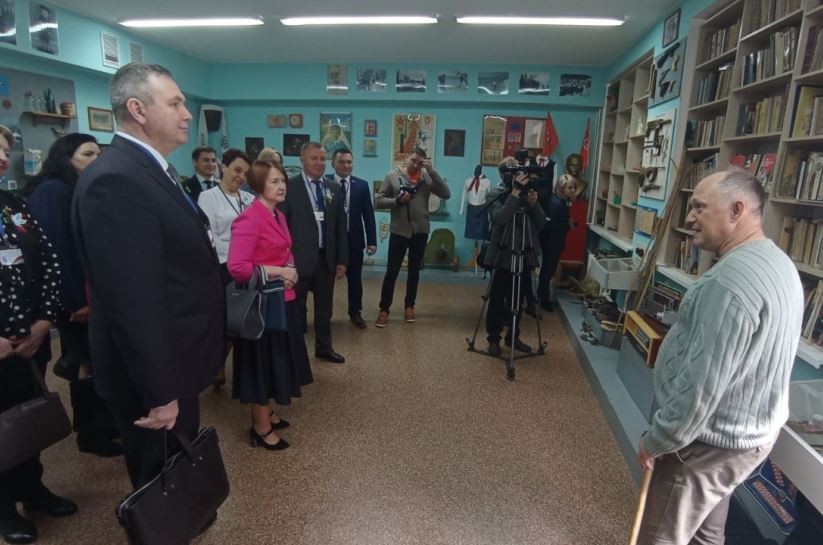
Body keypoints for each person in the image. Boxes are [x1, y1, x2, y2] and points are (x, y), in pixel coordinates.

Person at [72, 62, 225, 512]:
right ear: (138, 109)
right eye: (175, 103)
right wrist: (160, 393)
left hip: (174, 361)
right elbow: (132, 300)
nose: (187, 114)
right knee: (160, 491)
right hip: (151, 377)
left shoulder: (152, 169)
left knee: (178, 477)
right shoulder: (117, 179)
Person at [636, 168, 804, 545]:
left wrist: (660, 438)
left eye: (699, 207)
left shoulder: (729, 283)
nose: (689, 217)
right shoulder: (778, 263)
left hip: (705, 444)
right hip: (741, 440)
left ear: (736, 210)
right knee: (705, 535)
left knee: (659, 537)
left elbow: (702, 386)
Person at [0, 124, 78, 545]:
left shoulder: (14, 205)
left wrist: (45, 320)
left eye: (5, 149)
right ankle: (2, 508)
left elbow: (48, 261)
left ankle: (32, 488)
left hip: (30, 339)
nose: (2, 157)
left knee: (26, 420)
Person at [24, 133, 122, 458]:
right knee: (86, 360)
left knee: (94, 359)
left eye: (98, 154)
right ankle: (91, 432)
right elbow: (55, 249)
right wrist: (75, 298)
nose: (96, 160)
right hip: (76, 298)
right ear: (67, 159)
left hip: (91, 293)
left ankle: (104, 424)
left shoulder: (82, 188)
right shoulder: (54, 190)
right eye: (87, 154)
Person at [227, 160, 313, 451]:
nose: (282, 186)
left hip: (281, 299)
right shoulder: (250, 219)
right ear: (258, 184)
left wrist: (291, 270)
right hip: (261, 306)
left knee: (277, 361)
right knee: (262, 365)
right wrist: (279, 272)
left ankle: (269, 412)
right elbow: (238, 267)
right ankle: (261, 427)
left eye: (283, 180)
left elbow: (286, 250)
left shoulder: (278, 215)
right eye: (274, 181)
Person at [280, 142, 348, 363]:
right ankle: (296, 353)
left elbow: (340, 227)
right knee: (296, 309)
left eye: (322, 158)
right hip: (298, 260)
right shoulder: (289, 187)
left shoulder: (333, 188)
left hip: (325, 260)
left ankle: (324, 348)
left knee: (325, 309)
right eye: (314, 158)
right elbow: (281, 227)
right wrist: (285, 261)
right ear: (302, 160)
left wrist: (341, 260)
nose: (319, 163)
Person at [197, 148, 254, 391]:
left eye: (245, 173)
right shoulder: (208, 197)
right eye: (237, 170)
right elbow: (208, 236)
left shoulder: (249, 199)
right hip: (222, 267)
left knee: (243, 320)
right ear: (224, 167)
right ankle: (216, 365)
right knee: (225, 321)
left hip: (248, 268)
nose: (241, 176)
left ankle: (237, 370)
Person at [374, 147, 450, 327]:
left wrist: (432, 172)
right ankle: (384, 309)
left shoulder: (427, 178)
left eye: (420, 162)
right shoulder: (392, 176)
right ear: (407, 158)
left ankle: (409, 306)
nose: (415, 165)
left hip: (420, 232)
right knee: (392, 271)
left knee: (414, 271)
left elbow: (446, 194)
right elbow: (377, 201)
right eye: (413, 160)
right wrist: (397, 201)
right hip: (399, 231)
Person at [483, 158, 546, 356]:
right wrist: (514, 194)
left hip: (524, 254)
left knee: (518, 300)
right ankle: (494, 339)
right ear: (505, 175)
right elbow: (501, 218)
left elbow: (541, 222)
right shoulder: (496, 194)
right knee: (496, 299)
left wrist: (533, 203)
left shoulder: (528, 195)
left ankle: (513, 336)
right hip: (502, 255)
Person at [328, 148, 376, 329]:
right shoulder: (324, 182)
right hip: (330, 241)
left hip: (353, 240)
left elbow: (368, 215)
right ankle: (325, 314)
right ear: (333, 163)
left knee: (355, 280)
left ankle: (355, 312)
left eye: (349, 162)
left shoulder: (361, 185)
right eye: (341, 162)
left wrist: (372, 241)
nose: (346, 165)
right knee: (326, 280)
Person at [536, 173, 578, 312]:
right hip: (552, 241)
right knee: (548, 271)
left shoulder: (559, 200)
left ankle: (542, 295)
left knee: (547, 270)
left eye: (574, 187)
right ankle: (544, 300)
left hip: (552, 240)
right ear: (561, 188)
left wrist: (566, 222)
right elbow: (551, 225)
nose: (573, 190)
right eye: (569, 188)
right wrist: (568, 226)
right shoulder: (556, 203)